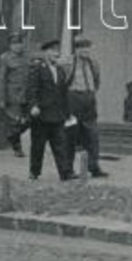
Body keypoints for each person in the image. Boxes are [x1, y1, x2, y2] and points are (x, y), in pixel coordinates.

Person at [23, 38, 74, 181]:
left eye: (56, 51)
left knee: (60, 145)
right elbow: (31, 89)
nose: (54, 54)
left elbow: (64, 93)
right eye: (51, 51)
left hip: (57, 114)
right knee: (38, 146)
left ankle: (65, 173)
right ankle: (34, 172)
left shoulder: (60, 70)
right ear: (45, 53)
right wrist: (33, 105)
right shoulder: (38, 68)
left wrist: (67, 112)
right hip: (42, 114)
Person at [64, 37, 107, 177]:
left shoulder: (94, 63)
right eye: (81, 47)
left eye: (87, 47)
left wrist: (91, 95)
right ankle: (67, 169)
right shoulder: (67, 63)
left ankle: (94, 167)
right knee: (70, 135)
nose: (85, 50)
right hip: (73, 99)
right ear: (75, 49)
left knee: (92, 135)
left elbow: (97, 82)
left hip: (89, 100)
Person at [0, 32, 31, 158]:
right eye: (15, 44)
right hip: (13, 95)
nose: (18, 46)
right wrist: (2, 98)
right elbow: (1, 80)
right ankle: (17, 149)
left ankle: (11, 136)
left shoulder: (27, 57)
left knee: (29, 120)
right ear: (10, 46)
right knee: (15, 122)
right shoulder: (5, 58)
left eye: (20, 43)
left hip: (26, 94)